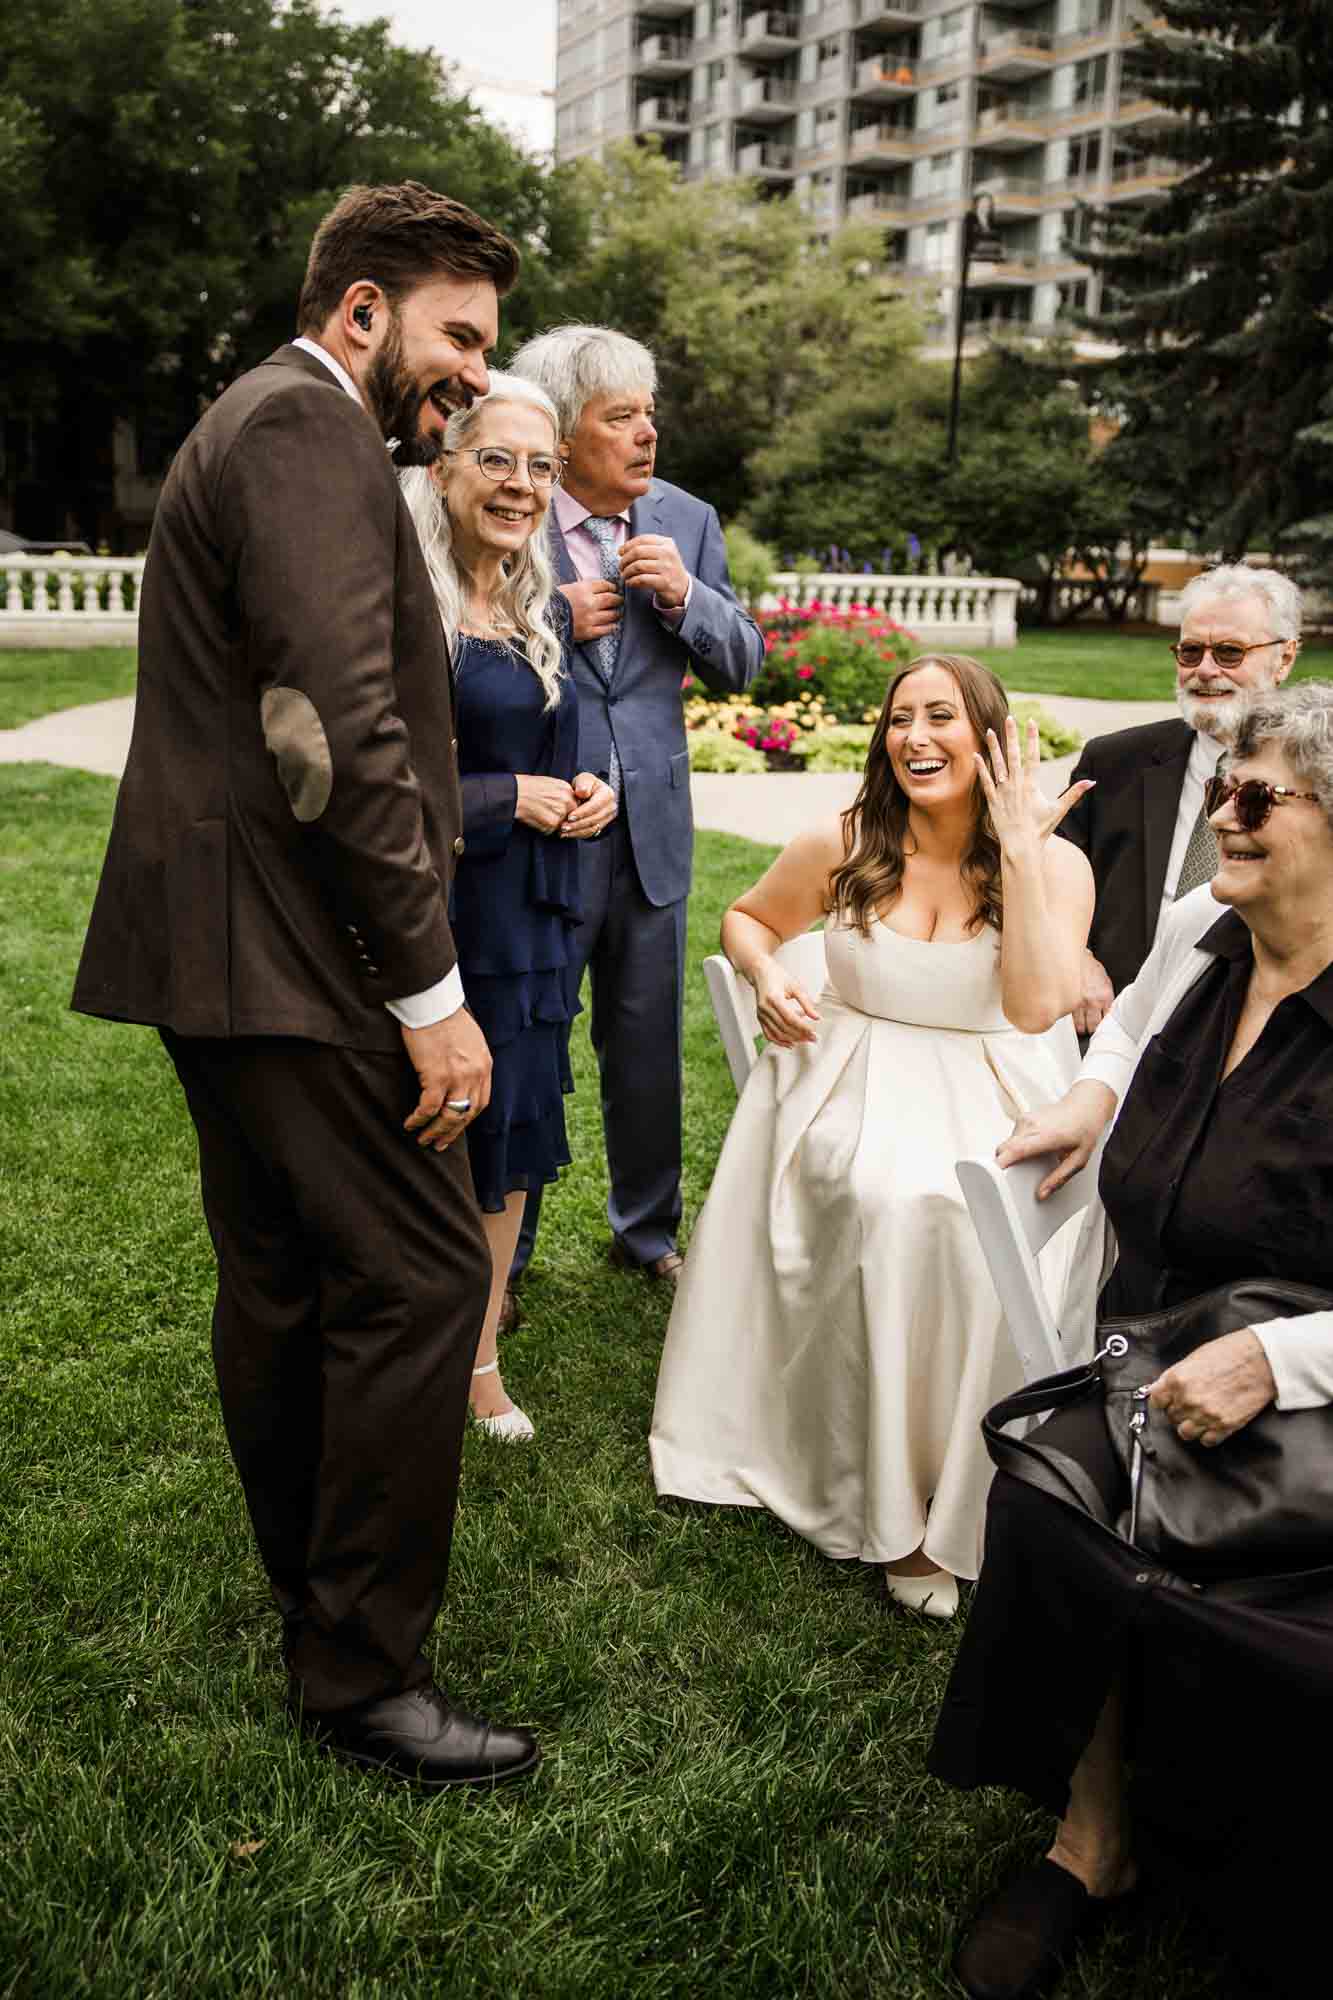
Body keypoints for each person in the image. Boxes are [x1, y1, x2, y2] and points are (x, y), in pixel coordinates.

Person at [71, 183, 542, 1790]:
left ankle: (312, 1594)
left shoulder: (271, 418)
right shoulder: (306, 432)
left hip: (227, 950)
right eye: (460, 338)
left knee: (283, 1274)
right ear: (362, 314)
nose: (476, 376)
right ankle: (359, 1674)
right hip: (291, 952)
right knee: (418, 1282)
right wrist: (430, 993)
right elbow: (334, 731)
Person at [931, 683, 1333, 1998]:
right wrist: (1092, 1102)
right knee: (1049, 1495)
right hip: (1151, 1340)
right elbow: (1128, 1034)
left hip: (1311, 1379)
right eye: (1226, 783)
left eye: (1261, 794)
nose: (1226, 808)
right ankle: (1088, 1839)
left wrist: (1277, 1362)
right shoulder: (1202, 928)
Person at [650, 656, 1094, 1615]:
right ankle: (890, 1503)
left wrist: (1018, 852)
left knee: (978, 1218)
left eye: (942, 718)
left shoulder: (1056, 864)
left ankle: (964, 1477)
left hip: (994, 1082)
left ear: (989, 738)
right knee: (902, 1205)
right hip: (851, 1079)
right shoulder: (844, 841)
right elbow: (745, 920)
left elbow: (1029, 1009)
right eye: (900, 719)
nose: (915, 738)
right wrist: (767, 974)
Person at [503, 325, 764, 1313]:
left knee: (646, 1045)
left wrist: (687, 596)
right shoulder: (508, 513)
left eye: (649, 412)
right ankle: (506, 1246)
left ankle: (646, 1230)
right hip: (540, 830)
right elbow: (455, 653)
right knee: (528, 1038)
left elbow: (742, 658)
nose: (646, 433)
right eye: (622, 417)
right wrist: (558, 616)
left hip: (650, 830)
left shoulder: (686, 520)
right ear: (564, 434)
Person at [399, 375, 616, 1441]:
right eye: (496, 459)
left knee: (512, 1138)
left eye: (540, 466)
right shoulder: (407, 610)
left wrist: (584, 788)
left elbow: (553, 750)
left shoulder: (541, 610)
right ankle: (403, 1345)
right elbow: (381, 779)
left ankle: (479, 1358)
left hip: (532, 924)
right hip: (434, 916)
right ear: (442, 471)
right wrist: (503, 798)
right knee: (425, 1137)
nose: (520, 484)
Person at [1059, 564, 1300, 1034]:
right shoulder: (1112, 764)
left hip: (1258, 1036)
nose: (1205, 669)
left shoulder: (1315, 781)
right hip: (1114, 1023)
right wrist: (1076, 957)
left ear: (1284, 658)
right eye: (1190, 651)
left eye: (1230, 653)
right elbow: (1045, 880)